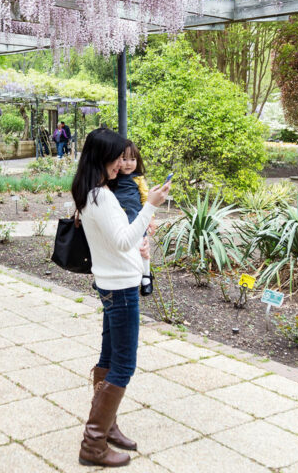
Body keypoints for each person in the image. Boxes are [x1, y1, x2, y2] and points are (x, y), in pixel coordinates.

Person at [72, 128, 170, 467]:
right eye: (115, 157)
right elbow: (123, 241)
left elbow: (121, 240)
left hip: (111, 282)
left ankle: (107, 428)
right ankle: (93, 445)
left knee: (109, 358)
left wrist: (140, 232)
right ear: (101, 157)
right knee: (124, 364)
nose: (121, 163)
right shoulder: (102, 196)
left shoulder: (92, 192)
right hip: (121, 287)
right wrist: (150, 208)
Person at [110, 140, 155, 296]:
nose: (128, 164)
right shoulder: (112, 178)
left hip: (136, 218)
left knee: (142, 247)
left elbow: (147, 199)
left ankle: (146, 276)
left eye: (133, 159)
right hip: (118, 219)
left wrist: (151, 218)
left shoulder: (138, 179)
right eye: (124, 159)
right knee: (116, 247)